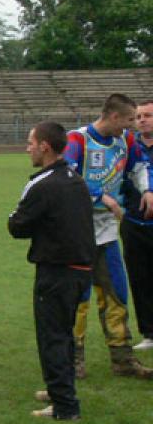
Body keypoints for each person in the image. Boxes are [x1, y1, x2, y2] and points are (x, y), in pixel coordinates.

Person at [7, 121, 94, 420]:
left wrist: (18, 218)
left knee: (53, 336)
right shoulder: (75, 178)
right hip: (81, 269)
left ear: (44, 146)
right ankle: (59, 389)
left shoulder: (42, 184)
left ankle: (65, 406)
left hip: (57, 271)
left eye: (31, 143)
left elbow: (17, 226)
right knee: (65, 333)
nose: (27, 149)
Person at [64, 94, 153, 379]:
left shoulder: (125, 141)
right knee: (79, 298)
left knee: (116, 292)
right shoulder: (77, 139)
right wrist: (99, 195)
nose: (133, 125)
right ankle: (74, 360)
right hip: (77, 230)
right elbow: (65, 175)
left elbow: (139, 167)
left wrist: (147, 190)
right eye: (129, 119)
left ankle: (122, 358)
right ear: (114, 116)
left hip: (107, 231)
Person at [123, 100, 153, 350]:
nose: (142, 120)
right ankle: (149, 333)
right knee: (140, 278)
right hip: (133, 222)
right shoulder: (127, 147)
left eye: (148, 115)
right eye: (138, 116)